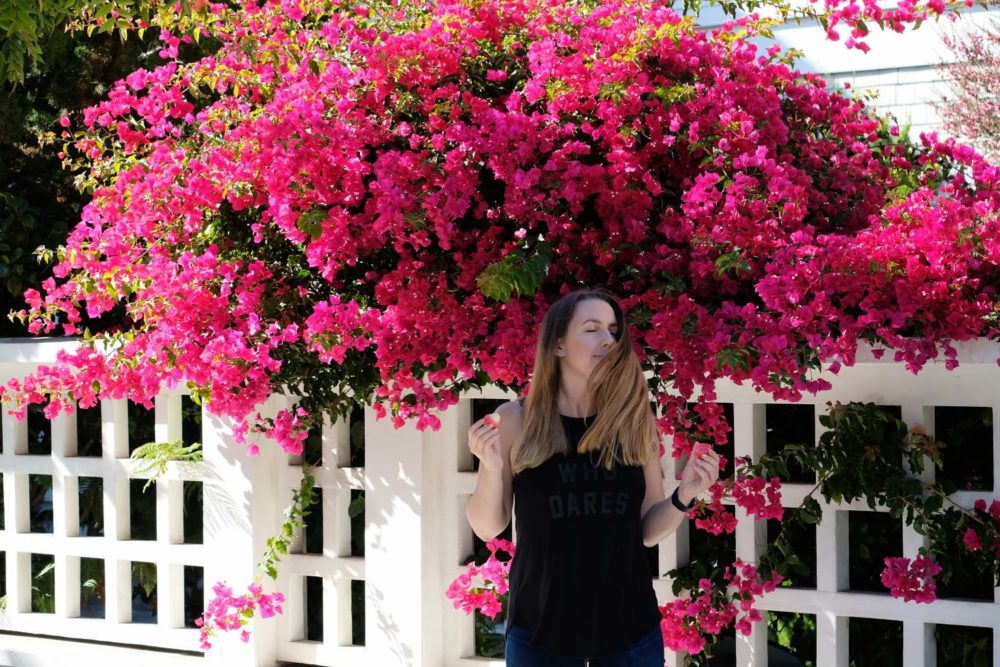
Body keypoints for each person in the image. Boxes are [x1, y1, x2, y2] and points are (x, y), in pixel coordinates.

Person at [466, 287, 721, 666]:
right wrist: (489, 466)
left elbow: (648, 530)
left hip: (628, 629)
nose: (608, 340)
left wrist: (685, 495)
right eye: (592, 328)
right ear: (557, 345)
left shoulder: (633, 420)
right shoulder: (516, 421)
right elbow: (488, 526)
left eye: (613, 330)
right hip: (540, 629)